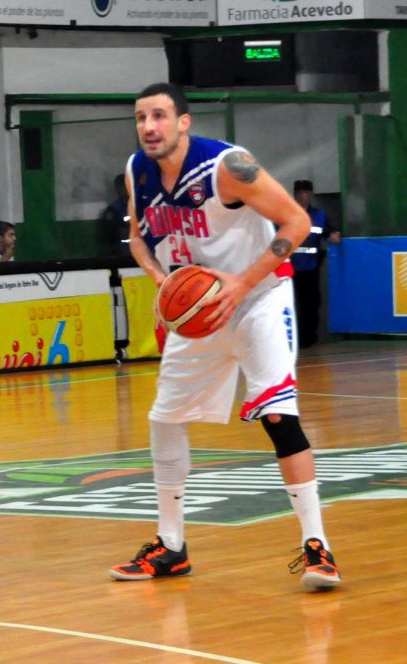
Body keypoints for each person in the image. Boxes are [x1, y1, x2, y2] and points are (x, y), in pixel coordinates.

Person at [108, 82, 340, 591]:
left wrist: (241, 284)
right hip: (200, 308)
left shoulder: (228, 166)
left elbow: (297, 221)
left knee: (278, 416)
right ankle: (171, 547)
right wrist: (161, 281)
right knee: (165, 419)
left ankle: (317, 547)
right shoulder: (137, 170)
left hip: (259, 299)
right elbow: (138, 237)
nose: (149, 127)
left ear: (183, 122)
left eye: (159, 116)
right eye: (141, 117)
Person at [291, 180, 340, 348]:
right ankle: (291, 339)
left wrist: (334, 235)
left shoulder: (319, 216)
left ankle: (308, 339)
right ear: (295, 194)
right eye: (300, 192)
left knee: (311, 303)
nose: (303, 196)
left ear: (311, 194)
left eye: (306, 192)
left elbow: (329, 231)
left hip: (311, 268)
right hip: (289, 268)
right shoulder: (286, 213)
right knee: (291, 304)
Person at [100, 173, 131, 257]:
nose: (125, 189)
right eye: (122, 186)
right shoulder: (113, 211)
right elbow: (107, 238)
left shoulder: (139, 206)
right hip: (121, 256)